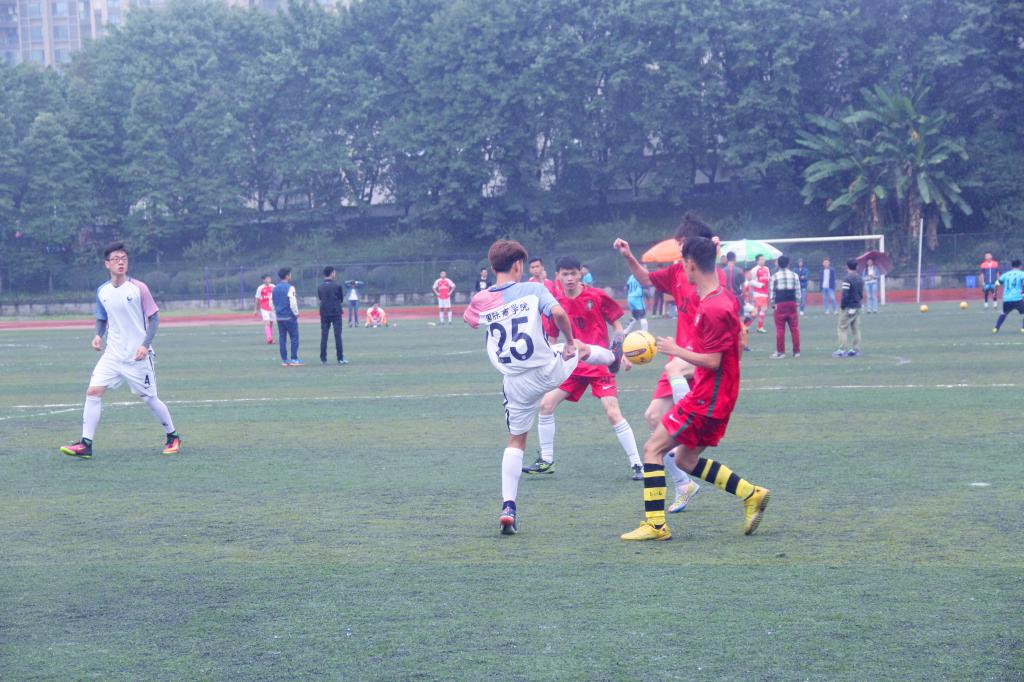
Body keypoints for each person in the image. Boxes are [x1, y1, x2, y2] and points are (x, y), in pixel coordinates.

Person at [463, 240, 622, 535]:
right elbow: (559, 314)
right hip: (546, 370)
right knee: (580, 348)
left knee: (516, 441)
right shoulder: (533, 289)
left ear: (493, 267)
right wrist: (569, 340)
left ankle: (508, 507)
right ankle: (612, 359)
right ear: (518, 265)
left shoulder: (481, 299)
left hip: (515, 382)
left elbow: (470, 319)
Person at [620, 237, 769, 541]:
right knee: (685, 460)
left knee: (652, 449)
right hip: (719, 396)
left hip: (707, 398)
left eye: (681, 263)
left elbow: (713, 361)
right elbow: (735, 345)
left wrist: (676, 350)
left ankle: (656, 525)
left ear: (689, 264)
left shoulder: (713, 307)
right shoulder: (723, 297)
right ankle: (751, 494)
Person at [613, 212, 728, 514]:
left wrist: (715, 250)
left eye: (683, 243)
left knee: (673, 372)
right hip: (679, 353)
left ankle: (690, 427)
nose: (679, 249)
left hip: (698, 356)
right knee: (653, 417)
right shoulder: (678, 271)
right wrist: (628, 256)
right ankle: (684, 483)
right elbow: (645, 279)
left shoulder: (711, 275)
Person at [59, 242, 182, 459]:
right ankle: (86, 444)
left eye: (124, 258)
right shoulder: (103, 291)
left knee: (149, 398)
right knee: (93, 392)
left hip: (137, 357)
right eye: (116, 259)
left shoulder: (139, 288)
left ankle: (172, 436)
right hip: (113, 355)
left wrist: (144, 345)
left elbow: (154, 319)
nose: (121, 262)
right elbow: (102, 318)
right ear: (107, 264)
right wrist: (98, 335)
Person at [524, 256, 641, 479]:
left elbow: (618, 327)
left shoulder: (596, 296)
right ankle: (546, 461)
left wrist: (621, 353)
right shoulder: (555, 304)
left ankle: (637, 464)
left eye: (573, 273)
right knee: (546, 405)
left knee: (612, 412)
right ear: (557, 276)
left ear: (580, 274)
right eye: (565, 274)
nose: (569, 278)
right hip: (572, 366)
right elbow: (551, 339)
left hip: (599, 364)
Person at [768, 255, 801, 358]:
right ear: (788, 264)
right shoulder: (795, 275)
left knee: (780, 329)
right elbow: (798, 291)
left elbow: (772, 292)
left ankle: (780, 352)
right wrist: (797, 302)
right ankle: (796, 352)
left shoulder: (774, 276)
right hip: (791, 303)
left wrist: (773, 304)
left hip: (780, 303)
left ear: (778, 264)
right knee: (794, 328)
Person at [833, 259, 864, 357]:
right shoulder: (860, 278)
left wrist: (843, 305)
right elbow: (861, 294)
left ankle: (842, 350)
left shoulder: (847, 279)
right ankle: (856, 349)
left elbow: (845, 294)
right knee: (856, 329)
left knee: (842, 328)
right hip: (857, 306)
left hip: (848, 307)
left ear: (847, 267)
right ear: (856, 267)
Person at [273, 267, 302, 366]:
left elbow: (272, 302)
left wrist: (276, 312)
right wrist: (296, 312)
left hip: (279, 316)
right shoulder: (290, 287)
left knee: (282, 338)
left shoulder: (274, 288)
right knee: (294, 337)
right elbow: (293, 302)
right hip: (289, 316)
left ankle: (284, 360)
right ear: (287, 276)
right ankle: (294, 359)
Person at [317, 266, 346, 365]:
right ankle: (340, 358)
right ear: (332, 273)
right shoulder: (337, 286)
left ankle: (323, 358)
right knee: (338, 335)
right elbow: (341, 299)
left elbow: (321, 298)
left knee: (324, 335)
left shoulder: (320, 287)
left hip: (324, 313)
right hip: (336, 312)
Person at [993, 259, 1024, 333]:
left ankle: (996, 328)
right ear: (1020, 266)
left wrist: (995, 293)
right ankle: (1023, 329)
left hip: (1007, 298)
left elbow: (997, 283)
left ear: (1012, 266)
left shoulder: (1005, 274)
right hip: (1018, 298)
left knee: (1004, 313)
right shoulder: (1022, 274)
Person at [751, 255, 770, 333]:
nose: (763, 261)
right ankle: (760, 327)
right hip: (758, 292)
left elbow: (768, 279)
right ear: (757, 261)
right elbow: (750, 281)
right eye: (761, 259)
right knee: (763, 308)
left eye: (764, 259)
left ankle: (745, 325)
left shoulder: (767, 269)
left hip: (765, 292)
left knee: (756, 311)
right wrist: (760, 284)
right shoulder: (754, 270)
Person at [254, 273, 275, 344]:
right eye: (267, 278)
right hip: (264, 308)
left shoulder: (273, 287)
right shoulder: (260, 288)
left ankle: (270, 338)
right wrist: (256, 310)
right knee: (267, 322)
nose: (269, 279)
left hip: (272, 308)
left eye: (269, 278)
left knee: (271, 323)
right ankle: (269, 338)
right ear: (263, 280)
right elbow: (257, 299)